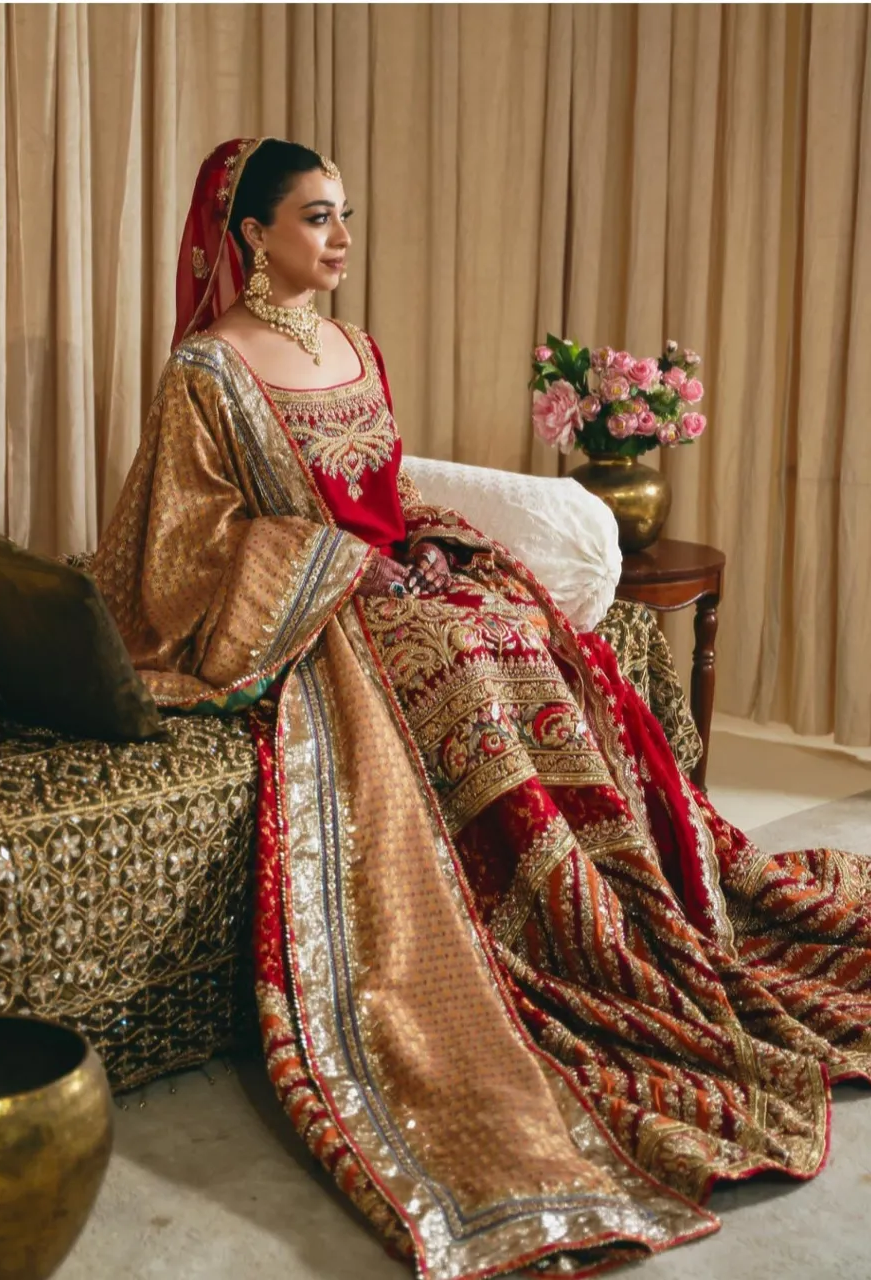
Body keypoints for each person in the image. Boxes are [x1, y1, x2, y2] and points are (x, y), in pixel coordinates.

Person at [93, 138, 871, 1278]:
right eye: (317, 217)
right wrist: (345, 568)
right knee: (463, 656)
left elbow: (386, 486)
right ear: (251, 234)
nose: (342, 237)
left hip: (395, 570)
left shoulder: (358, 347)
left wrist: (416, 551)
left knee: (518, 630)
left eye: (346, 213)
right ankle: (538, 926)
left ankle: (622, 910)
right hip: (313, 613)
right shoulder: (205, 371)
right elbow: (178, 549)